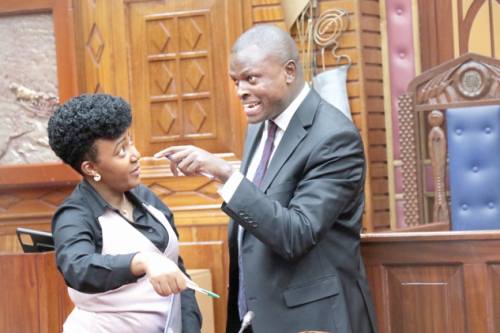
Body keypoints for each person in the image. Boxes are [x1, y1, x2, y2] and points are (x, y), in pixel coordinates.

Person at [154, 24, 378, 333]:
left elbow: (296, 234)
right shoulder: (260, 125)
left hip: (312, 321)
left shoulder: (335, 137)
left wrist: (226, 175)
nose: (240, 91)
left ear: (288, 71)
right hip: (257, 318)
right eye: (235, 81)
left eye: (251, 78)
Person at [48, 94, 202, 333]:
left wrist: (190, 327)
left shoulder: (147, 198)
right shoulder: (74, 214)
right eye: (121, 151)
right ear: (91, 168)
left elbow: (177, 272)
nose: (135, 154)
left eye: (130, 142)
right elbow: (77, 266)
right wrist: (141, 260)